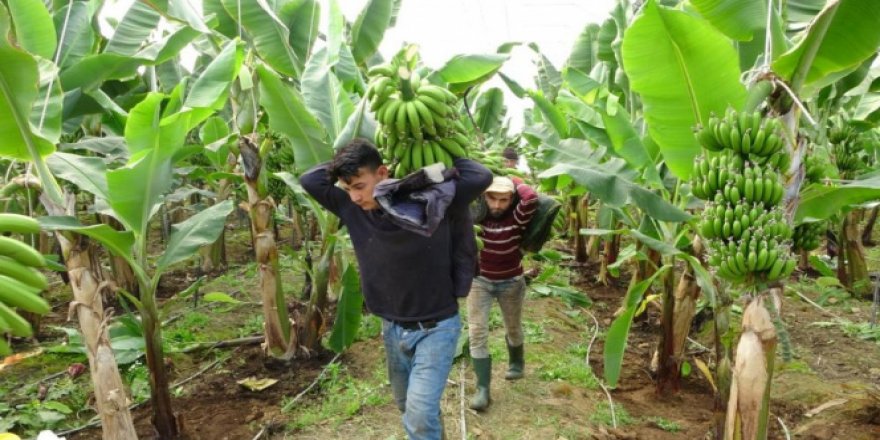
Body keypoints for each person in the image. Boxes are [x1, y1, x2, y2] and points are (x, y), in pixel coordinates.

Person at [300, 139, 492, 439]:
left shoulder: (432, 201)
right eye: (347, 188)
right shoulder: (353, 211)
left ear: (382, 172)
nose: (353, 196)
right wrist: (346, 166)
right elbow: (309, 179)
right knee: (409, 407)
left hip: (437, 327)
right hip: (392, 329)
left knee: (418, 413)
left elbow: (480, 176)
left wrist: (435, 141)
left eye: (360, 186)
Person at [468, 176, 538, 411]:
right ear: (483, 196)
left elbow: (531, 197)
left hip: (511, 282)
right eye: (492, 198)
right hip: (480, 281)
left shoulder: (517, 217)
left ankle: (517, 363)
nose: (497, 205)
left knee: (513, 327)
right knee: (477, 332)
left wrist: (511, 179)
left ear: (511, 199)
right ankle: (483, 389)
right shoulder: (475, 218)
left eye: (503, 200)